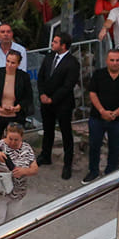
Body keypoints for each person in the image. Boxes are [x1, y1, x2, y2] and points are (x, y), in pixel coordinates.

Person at [84, 47, 119, 182]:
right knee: (94, 145)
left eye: (118, 60)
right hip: (97, 117)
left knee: (115, 147)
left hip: (118, 120)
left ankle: (110, 174)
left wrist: (115, 113)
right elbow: (92, 93)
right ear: (107, 61)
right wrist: (102, 111)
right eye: (112, 60)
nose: (115, 63)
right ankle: (93, 171)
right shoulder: (99, 74)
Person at [37, 30, 80, 179]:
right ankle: (45, 155)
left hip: (63, 104)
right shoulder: (49, 57)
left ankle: (67, 164)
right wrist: (42, 94)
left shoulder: (72, 63)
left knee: (66, 133)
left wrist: (53, 99)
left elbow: (68, 86)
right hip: (46, 102)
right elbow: (41, 76)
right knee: (47, 130)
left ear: (63, 45)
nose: (52, 44)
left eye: (55, 42)